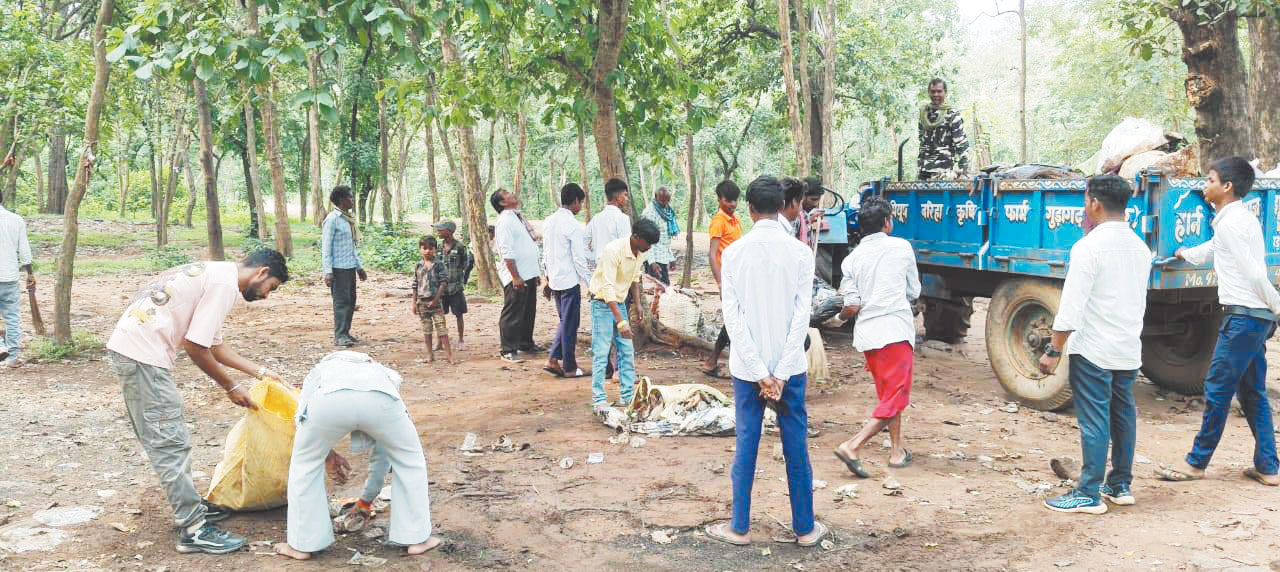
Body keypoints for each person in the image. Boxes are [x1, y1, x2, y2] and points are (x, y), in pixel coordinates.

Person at [106, 250, 289, 554]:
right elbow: (195, 346)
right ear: (261, 272)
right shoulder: (225, 285)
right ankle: (192, 529)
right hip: (142, 357)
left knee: (168, 437)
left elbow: (215, 345)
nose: (267, 296)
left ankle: (193, 509)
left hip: (133, 350)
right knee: (169, 442)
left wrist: (261, 372)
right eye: (271, 287)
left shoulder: (215, 273)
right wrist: (231, 386)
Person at [703, 175, 827, 547]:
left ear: (752, 210)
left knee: (746, 444)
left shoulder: (735, 253)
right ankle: (805, 528)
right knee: (795, 445)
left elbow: (733, 320)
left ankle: (739, 526)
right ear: (784, 207)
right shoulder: (801, 253)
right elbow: (800, 318)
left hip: (747, 371)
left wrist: (759, 373)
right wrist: (781, 372)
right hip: (789, 370)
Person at [1157, 156, 1280, 487]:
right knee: (1252, 392)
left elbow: (1254, 273)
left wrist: (1276, 307)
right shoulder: (1238, 219)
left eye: (1209, 179)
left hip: (1243, 318)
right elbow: (1215, 249)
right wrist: (1186, 254)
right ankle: (1268, 467)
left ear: (1226, 186)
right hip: (1251, 320)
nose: (1204, 185)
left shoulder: (1231, 223)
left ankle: (1196, 464)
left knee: (1217, 388)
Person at [1037, 176, 1152, 514]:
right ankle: (1120, 484)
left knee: (1094, 421)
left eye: (1086, 200)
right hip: (1127, 349)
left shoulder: (1088, 247)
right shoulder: (1140, 247)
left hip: (1094, 350)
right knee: (1123, 416)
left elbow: (1071, 308)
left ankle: (1088, 492)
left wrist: (1053, 349)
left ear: (1094, 204)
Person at [274, 352, 442, 560]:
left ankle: (302, 545)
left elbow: (302, 418)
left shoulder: (320, 371)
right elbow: (382, 454)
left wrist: (324, 453)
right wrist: (366, 500)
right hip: (379, 400)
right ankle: (417, 539)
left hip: (327, 400)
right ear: (368, 360)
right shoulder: (382, 373)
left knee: (305, 464)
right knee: (410, 461)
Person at [832, 197, 920, 478]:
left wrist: (838, 319)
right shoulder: (902, 247)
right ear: (886, 223)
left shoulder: (851, 259)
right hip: (895, 330)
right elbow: (913, 291)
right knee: (896, 395)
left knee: (888, 394)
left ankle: (896, 451)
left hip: (869, 335)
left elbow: (852, 305)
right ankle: (852, 445)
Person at [588, 219, 660, 414]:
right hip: (602, 303)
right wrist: (620, 321)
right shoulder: (613, 250)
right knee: (601, 352)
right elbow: (607, 287)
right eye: (647, 243)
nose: (649, 248)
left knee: (627, 352)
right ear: (636, 237)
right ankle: (599, 399)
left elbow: (635, 279)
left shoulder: (640, 253)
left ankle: (627, 397)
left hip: (619, 303)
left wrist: (637, 305)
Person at [541, 183, 592, 378]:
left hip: (554, 278)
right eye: (581, 203)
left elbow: (545, 253)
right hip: (569, 280)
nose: (581, 207)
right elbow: (579, 259)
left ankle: (554, 359)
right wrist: (590, 282)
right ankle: (568, 366)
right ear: (576, 201)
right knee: (570, 323)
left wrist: (547, 277)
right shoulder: (572, 225)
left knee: (566, 321)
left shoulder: (549, 221)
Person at [492, 189, 543, 362]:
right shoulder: (504, 221)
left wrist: (535, 272)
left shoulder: (516, 217)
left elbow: (529, 242)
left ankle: (525, 343)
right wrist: (515, 276)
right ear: (502, 203)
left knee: (528, 311)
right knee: (513, 311)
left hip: (528, 272)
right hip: (516, 274)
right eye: (507, 194)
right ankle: (507, 349)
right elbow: (506, 250)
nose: (512, 194)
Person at [702, 179, 742, 378]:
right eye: (728, 201)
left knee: (735, 319)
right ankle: (715, 362)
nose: (732, 204)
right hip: (727, 279)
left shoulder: (735, 219)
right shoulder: (718, 221)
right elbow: (712, 254)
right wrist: (720, 282)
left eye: (735, 201)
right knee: (734, 320)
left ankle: (712, 361)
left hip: (738, 277)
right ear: (719, 199)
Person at [321, 186, 367, 347]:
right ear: (341, 200)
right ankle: (339, 335)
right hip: (337, 268)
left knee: (350, 300)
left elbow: (351, 247)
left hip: (349, 267)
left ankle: (346, 332)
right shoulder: (332, 219)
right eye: (350, 197)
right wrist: (328, 271)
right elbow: (326, 247)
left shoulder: (348, 219)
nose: (352, 200)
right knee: (341, 302)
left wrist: (359, 267)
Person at [0, 194, 33, 367]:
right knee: (12, 316)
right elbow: (24, 250)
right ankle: (12, 357)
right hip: (9, 276)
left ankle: (0, 346)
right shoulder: (16, 220)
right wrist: (29, 273)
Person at [917, 78, 970, 180]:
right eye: (933, 91)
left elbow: (961, 143)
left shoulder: (952, 114)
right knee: (923, 195)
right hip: (924, 168)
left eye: (939, 91)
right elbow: (921, 138)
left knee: (941, 195)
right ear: (928, 93)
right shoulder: (924, 113)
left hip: (943, 170)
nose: (936, 94)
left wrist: (963, 169)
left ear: (945, 92)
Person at [412, 236, 453, 364]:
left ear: (435, 249)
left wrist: (436, 300)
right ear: (420, 249)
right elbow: (415, 284)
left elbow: (443, 283)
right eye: (424, 248)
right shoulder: (418, 265)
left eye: (430, 248)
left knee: (442, 329)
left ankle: (449, 356)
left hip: (436, 303)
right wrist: (414, 302)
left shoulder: (439, 264)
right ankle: (430, 355)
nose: (427, 251)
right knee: (427, 330)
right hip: (422, 303)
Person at [434, 221, 472, 351]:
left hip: (456, 288)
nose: (438, 232)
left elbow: (465, 265)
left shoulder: (460, 247)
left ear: (449, 231)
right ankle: (440, 341)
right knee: (440, 315)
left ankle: (461, 339)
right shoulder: (438, 248)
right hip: (441, 289)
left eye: (440, 230)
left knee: (459, 314)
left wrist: (459, 280)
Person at [586, 178, 633, 269]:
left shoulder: (596, 218)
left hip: (600, 267)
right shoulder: (622, 218)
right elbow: (626, 248)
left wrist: (592, 258)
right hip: (616, 267)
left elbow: (584, 241)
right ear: (618, 197)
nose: (627, 199)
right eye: (625, 195)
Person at [640, 186, 678, 285]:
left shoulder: (667, 212)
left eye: (667, 201)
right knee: (660, 290)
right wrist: (652, 262)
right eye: (662, 201)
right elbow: (646, 240)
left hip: (663, 256)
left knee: (664, 289)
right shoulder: (650, 213)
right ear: (656, 198)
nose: (665, 204)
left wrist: (671, 258)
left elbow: (664, 238)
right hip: (654, 259)